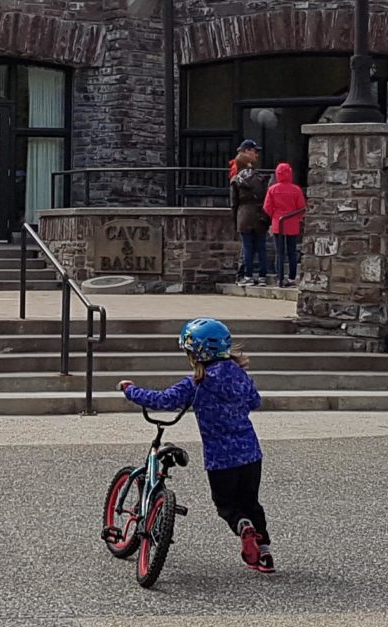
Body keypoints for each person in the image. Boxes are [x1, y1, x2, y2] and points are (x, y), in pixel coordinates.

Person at [119, 316, 274, 574]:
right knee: (251, 502)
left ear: (195, 353)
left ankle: (242, 526)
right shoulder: (240, 375)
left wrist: (130, 390)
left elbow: (163, 400)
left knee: (226, 505)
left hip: (220, 459)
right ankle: (265, 555)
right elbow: (254, 401)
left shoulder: (197, 383)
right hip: (250, 453)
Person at [229, 141, 271, 287]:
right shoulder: (260, 178)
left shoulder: (236, 179)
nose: (257, 154)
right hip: (259, 214)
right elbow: (266, 197)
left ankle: (247, 276)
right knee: (261, 246)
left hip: (243, 214)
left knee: (247, 246)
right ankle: (262, 276)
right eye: (254, 151)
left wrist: (235, 218)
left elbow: (234, 202)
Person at [262, 161, 307, 287]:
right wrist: (297, 218)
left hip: (278, 223)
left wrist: (275, 216)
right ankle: (292, 277)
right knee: (292, 252)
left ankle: (279, 278)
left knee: (279, 253)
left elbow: (267, 207)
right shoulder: (296, 190)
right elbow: (302, 208)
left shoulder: (272, 189)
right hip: (292, 223)